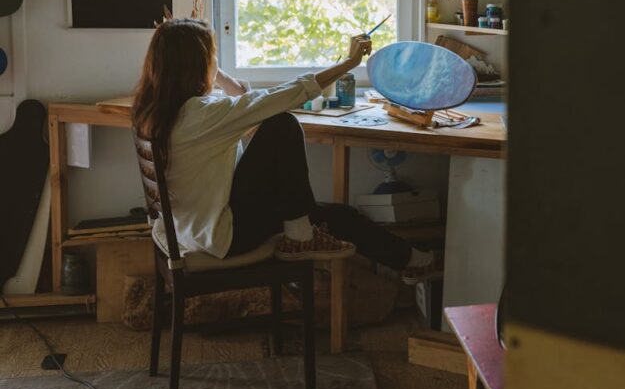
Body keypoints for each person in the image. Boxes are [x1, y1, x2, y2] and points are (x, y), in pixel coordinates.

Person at [131, 18, 436, 276]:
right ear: (196, 66)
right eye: (212, 58)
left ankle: (407, 261)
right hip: (224, 236)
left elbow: (243, 102)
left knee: (335, 216)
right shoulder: (202, 115)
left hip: (192, 228)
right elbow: (276, 99)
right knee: (283, 125)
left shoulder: (157, 110)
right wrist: (349, 63)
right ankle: (307, 237)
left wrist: (215, 71)